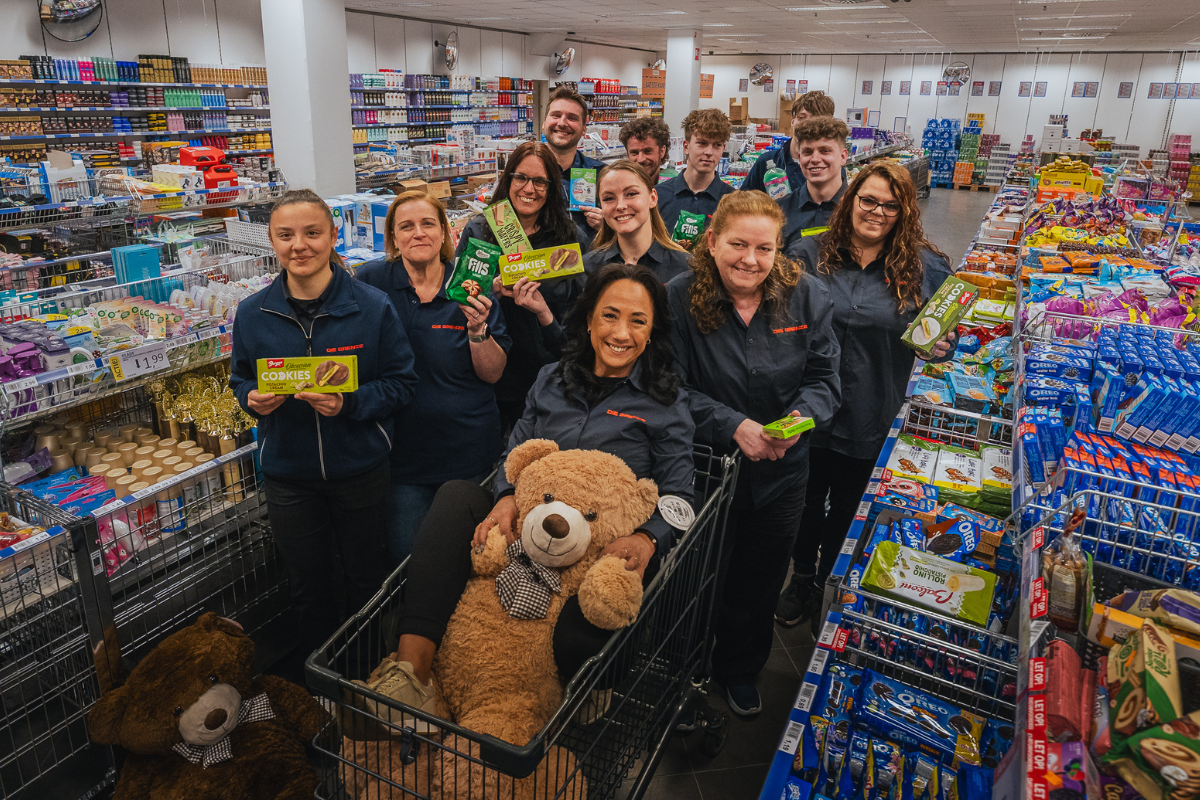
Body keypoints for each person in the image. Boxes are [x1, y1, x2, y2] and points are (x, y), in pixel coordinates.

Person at [358, 264, 696, 728]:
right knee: (458, 496)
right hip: (527, 526)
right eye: (609, 316)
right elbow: (515, 451)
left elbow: (681, 497)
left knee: (579, 634)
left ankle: (571, 689)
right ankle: (411, 672)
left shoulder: (665, 401)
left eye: (638, 321)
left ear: (653, 329)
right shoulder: (551, 379)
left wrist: (648, 539)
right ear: (589, 320)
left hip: (599, 546)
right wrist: (505, 495)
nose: (622, 333)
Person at [666, 191, 840, 717]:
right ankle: (686, 669)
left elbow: (825, 380)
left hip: (782, 474)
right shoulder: (678, 297)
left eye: (763, 249)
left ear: (779, 250)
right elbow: (667, 388)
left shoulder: (806, 297)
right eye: (738, 245)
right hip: (703, 473)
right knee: (696, 577)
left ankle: (739, 670)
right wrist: (733, 425)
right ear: (712, 241)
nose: (750, 260)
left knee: (760, 580)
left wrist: (797, 421)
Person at [229, 188, 418, 663]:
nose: (300, 245)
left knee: (365, 581)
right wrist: (251, 399)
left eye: (312, 233)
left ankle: (367, 674)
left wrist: (349, 404)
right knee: (308, 586)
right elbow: (239, 379)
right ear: (271, 241)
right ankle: (319, 686)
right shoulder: (253, 312)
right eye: (286, 235)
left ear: (334, 235)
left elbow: (401, 384)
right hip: (289, 476)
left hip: (360, 468)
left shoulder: (372, 307)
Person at [777, 162, 955, 633]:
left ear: (904, 212)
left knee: (849, 509)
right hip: (807, 409)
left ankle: (830, 583)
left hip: (870, 409)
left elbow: (942, 342)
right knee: (805, 503)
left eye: (890, 205)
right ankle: (803, 578)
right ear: (851, 200)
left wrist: (940, 347)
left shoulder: (926, 267)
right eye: (868, 200)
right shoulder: (808, 253)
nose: (877, 212)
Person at [357, 192, 513, 565]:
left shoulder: (471, 281)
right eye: (406, 226)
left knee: (463, 561)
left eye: (428, 224)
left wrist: (478, 329)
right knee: (406, 562)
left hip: (467, 450)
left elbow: (493, 372)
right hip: (401, 457)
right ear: (392, 238)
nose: (418, 233)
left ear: (445, 233)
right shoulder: (372, 281)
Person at [454, 141, 587, 432]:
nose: (529, 189)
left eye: (540, 181)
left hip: (550, 375)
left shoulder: (568, 237)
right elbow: (458, 298)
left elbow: (583, 312)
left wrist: (544, 314)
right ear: (509, 179)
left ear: (552, 188)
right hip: (490, 375)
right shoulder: (480, 230)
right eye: (521, 178)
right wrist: (492, 291)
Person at [582, 160, 690, 284]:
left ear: (653, 198)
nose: (620, 206)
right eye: (609, 198)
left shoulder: (685, 267)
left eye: (631, 194)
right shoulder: (587, 269)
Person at [739, 90, 837, 195]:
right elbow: (743, 202)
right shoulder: (767, 161)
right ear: (792, 121)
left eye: (814, 120)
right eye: (801, 118)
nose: (806, 124)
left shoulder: (830, 167)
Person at [655, 108, 735, 233]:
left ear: (723, 148)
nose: (709, 152)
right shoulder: (659, 196)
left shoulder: (732, 201)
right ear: (686, 147)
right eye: (702, 143)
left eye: (717, 145)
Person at [542, 84, 606, 238]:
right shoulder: (523, 173)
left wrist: (609, 225)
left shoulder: (602, 175)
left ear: (584, 128)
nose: (562, 123)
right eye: (556, 115)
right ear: (544, 123)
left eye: (572, 118)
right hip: (538, 260)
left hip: (589, 260)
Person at [777, 116, 850, 251]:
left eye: (825, 151)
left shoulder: (860, 209)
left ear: (843, 157)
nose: (815, 159)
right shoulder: (779, 211)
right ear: (799, 159)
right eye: (808, 152)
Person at [620, 116, 672, 185]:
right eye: (634, 153)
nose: (640, 159)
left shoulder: (673, 188)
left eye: (647, 151)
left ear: (662, 151)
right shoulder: (621, 188)